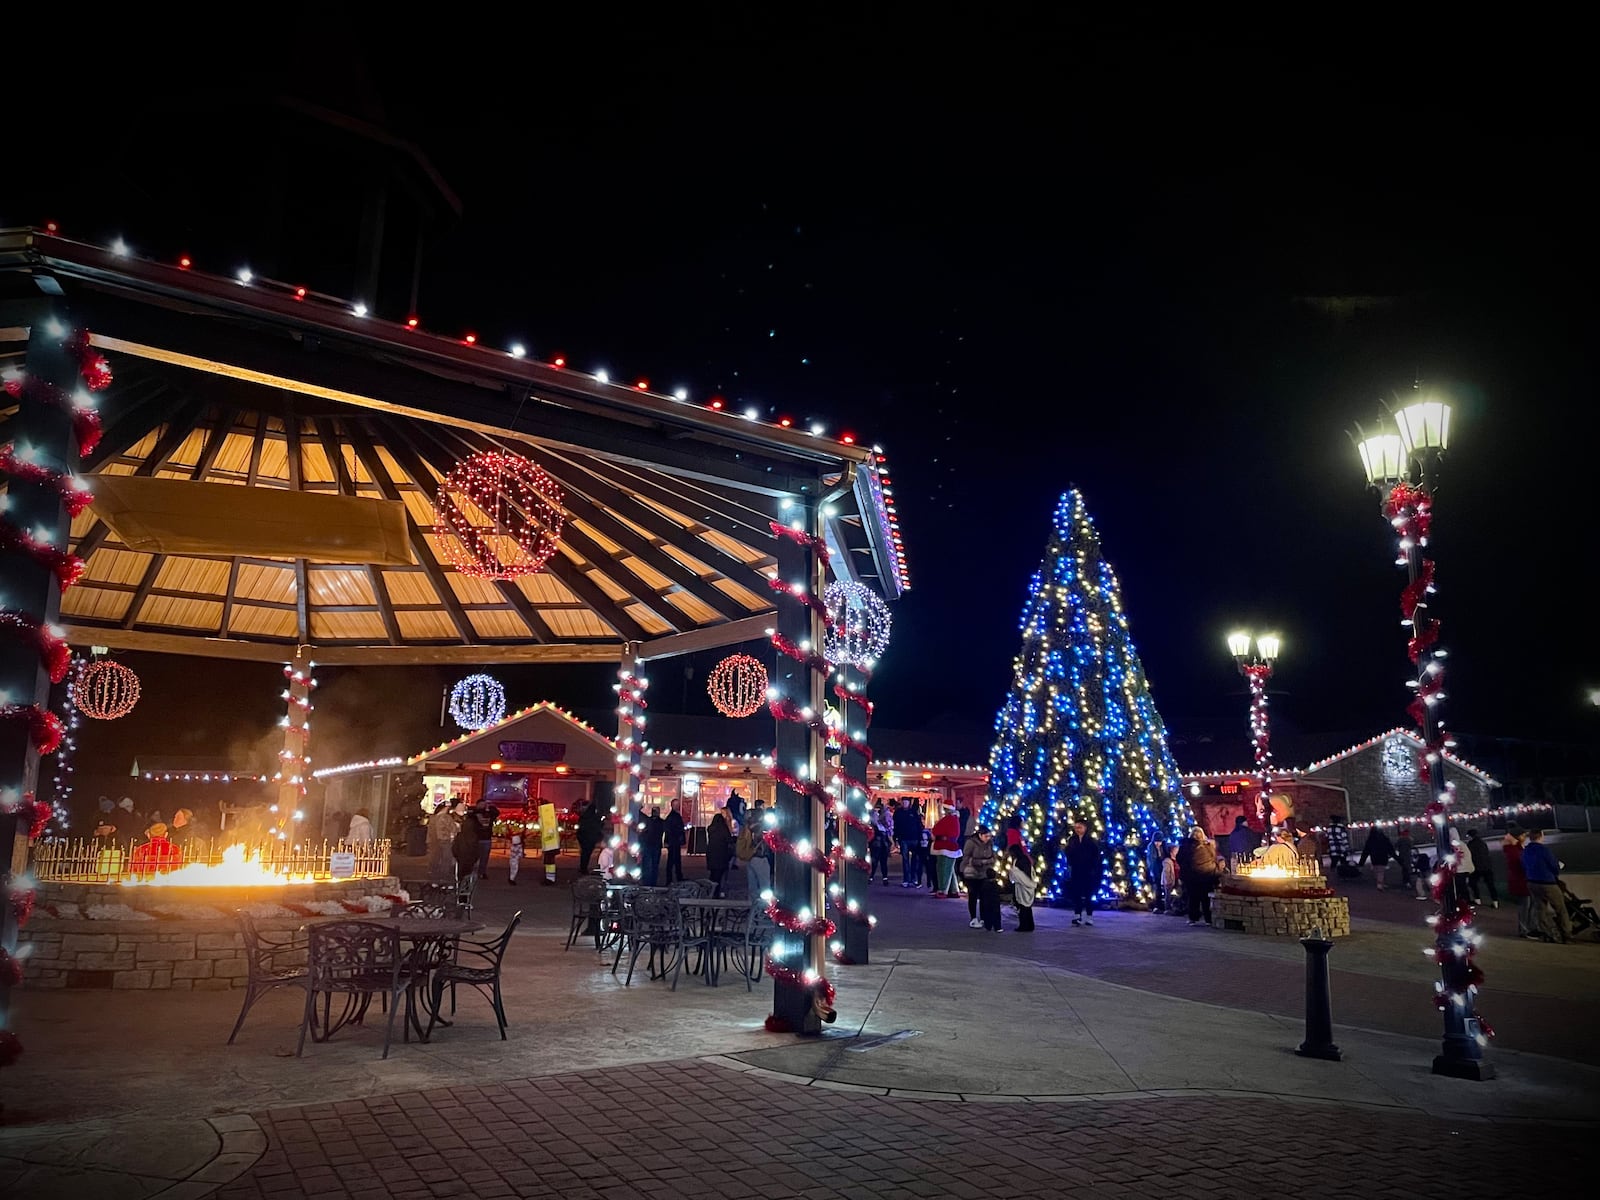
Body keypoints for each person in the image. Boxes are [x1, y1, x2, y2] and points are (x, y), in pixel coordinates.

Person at [1521, 828, 1572, 943]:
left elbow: (1524, 865)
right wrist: (1558, 868)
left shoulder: (1525, 850)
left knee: (1540, 909)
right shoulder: (1544, 850)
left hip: (1532, 882)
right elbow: (1553, 865)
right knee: (1560, 908)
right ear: (1541, 836)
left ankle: (1547, 932)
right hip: (1547, 882)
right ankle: (1566, 933)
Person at [961, 825, 1000, 931]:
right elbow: (967, 858)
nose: (988, 838)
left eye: (989, 836)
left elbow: (993, 856)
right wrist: (983, 861)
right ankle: (973, 918)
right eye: (986, 836)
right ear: (980, 835)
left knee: (984, 896)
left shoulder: (990, 843)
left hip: (984, 873)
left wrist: (989, 861)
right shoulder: (971, 843)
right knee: (973, 895)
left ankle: (984, 917)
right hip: (972, 874)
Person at [1179, 827, 1220, 926]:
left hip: (1191, 877)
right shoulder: (1208, 847)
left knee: (1193, 898)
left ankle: (1193, 918)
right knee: (1206, 899)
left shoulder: (1185, 847)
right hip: (1206, 877)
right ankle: (1208, 919)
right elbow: (1213, 858)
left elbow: (1180, 859)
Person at [1064, 820, 1101, 926]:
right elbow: (1068, 852)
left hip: (1088, 871)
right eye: (1076, 827)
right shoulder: (1072, 840)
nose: (1077, 830)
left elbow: (1095, 856)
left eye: (1079, 827)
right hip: (1076, 870)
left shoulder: (1090, 841)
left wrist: (1093, 868)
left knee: (1088, 894)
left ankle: (1089, 916)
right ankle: (1077, 914)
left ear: (1085, 828)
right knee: (1077, 893)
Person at [1502, 825, 1535, 936]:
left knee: (1528, 906)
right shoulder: (1513, 850)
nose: (1525, 837)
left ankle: (1529, 928)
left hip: (1522, 880)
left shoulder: (1517, 848)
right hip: (1520, 881)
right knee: (1524, 907)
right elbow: (1519, 864)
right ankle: (1524, 930)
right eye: (1523, 835)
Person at [931, 804, 963, 896]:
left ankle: (943, 889)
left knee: (944, 868)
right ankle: (953, 890)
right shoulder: (952, 819)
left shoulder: (950, 819)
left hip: (946, 846)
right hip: (945, 846)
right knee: (949, 869)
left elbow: (938, 830)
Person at [743, 803, 774, 900]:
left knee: (752, 886)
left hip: (750, 856)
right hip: (760, 857)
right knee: (765, 885)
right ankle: (764, 909)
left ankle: (752, 907)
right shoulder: (760, 827)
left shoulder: (748, 826)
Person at [1464, 829, 1499, 908]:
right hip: (1487, 866)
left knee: (1472, 883)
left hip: (1477, 867)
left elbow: (1470, 856)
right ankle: (1495, 901)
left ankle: (1477, 899)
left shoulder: (1470, 844)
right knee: (1490, 885)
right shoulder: (1482, 843)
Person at [893, 797, 923, 888]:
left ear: (909, 803)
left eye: (907, 802)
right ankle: (906, 879)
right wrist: (896, 839)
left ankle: (913, 878)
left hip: (914, 838)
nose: (905, 803)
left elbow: (919, 825)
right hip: (903, 838)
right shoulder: (898, 813)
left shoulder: (914, 812)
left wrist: (920, 837)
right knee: (905, 860)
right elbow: (896, 826)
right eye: (904, 802)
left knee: (915, 859)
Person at [427, 799, 459, 883]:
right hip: (445, 840)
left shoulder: (433, 818)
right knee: (446, 859)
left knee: (435, 859)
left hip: (434, 841)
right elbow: (452, 829)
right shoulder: (446, 817)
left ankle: (434, 878)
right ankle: (444, 878)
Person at [705, 810, 734, 897]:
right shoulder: (723, 829)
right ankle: (716, 892)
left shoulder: (711, 829)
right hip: (721, 854)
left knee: (713, 875)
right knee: (719, 876)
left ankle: (710, 891)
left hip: (711, 854)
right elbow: (728, 839)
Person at [450, 801, 480, 885]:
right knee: (467, 874)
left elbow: (455, 848)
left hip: (461, 859)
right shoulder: (474, 836)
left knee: (460, 874)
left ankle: (459, 887)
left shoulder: (460, 835)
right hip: (469, 859)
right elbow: (477, 849)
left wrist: (456, 855)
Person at [1009, 840, 1036, 932]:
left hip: (1022, 886)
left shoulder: (1019, 861)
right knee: (1027, 907)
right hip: (1027, 885)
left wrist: (1013, 874)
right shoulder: (1025, 859)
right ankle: (1030, 925)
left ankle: (1023, 926)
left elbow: (1018, 875)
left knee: (1023, 907)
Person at [1358, 825, 1395, 890]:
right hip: (1383, 857)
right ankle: (1380, 884)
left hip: (1374, 858)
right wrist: (1393, 855)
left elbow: (1365, 852)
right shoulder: (1384, 838)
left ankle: (1380, 883)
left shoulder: (1370, 840)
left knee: (1377, 871)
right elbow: (1390, 848)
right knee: (1381, 871)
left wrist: (1361, 863)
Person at [637, 803, 665, 887]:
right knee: (654, 865)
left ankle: (647, 882)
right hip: (655, 845)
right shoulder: (661, 822)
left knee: (648, 864)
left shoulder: (648, 821)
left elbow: (644, 832)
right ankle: (652, 882)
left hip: (649, 844)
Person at [577, 799, 606, 875]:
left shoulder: (583, 816)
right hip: (591, 839)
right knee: (587, 854)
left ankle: (583, 868)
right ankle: (584, 869)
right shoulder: (595, 817)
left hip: (583, 838)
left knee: (584, 854)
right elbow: (599, 826)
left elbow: (580, 827)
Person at [663, 798, 686, 884]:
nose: (678, 806)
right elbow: (671, 830)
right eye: (676, 805)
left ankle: (672, 878)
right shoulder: (674, 816)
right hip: (674, 841)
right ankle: (675, 878)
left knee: (673, 860)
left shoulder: (672, 816)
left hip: (673, 841)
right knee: (674, 860)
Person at [473, 803, 499, 880]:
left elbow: (496, 812)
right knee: (475, 857)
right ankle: (475, 872)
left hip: (486, 839)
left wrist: (489, 808)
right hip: (477, 839)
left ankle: (482, 872)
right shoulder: (475, 814)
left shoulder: (489, 814)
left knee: (484, 858)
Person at [870, 802, 894, 883]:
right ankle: (872, 876)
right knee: (875, 860)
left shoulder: (886, 817)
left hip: (883, 841)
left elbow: (889, 829)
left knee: (883, 861)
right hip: (877, 841)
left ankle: (884, 877)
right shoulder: (873, 817)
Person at [1144, 836, 1167, 909]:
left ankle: (1164, 905)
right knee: (1157, 888)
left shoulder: (1164, 847)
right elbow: (1151, 861)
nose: (1157, 843)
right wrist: (1152, 871)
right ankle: (1158, 905)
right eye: (1156, 842)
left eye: (1159, 842)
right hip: (1155, 870)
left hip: (1163, 869)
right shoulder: (1151, 848)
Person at [1161, 844, 1182, 916]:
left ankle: (1176, 908)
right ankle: (1167, 908)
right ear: (1171, 852)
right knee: (1168, 895)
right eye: (1176, 851)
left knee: (1177, 895)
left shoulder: (1177, 860)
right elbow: (1166, 872)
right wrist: (1167, 881)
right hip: (1169, 881)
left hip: (1176, 880)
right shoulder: (1167, 861)